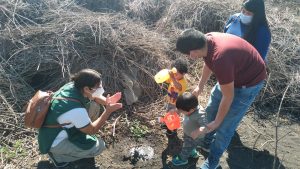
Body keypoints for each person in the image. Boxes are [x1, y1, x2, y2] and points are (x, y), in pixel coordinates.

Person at [176, 29, 266, 169]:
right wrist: (200, 86)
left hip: (248, 83)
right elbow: (208, 63)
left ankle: (213, 161)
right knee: (211, 109)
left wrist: (217, 123)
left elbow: (228, 96)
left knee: (225, 127)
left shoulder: (221, 58)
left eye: (187, 54)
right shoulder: (206, 42)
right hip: (231, 75)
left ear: (193, 51)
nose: (188, 57)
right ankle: (207, 142)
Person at [38, 69, 123, 167]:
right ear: (87, 89)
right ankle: (58, 157)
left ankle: (81, 129)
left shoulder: (73, 86)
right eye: (98, 87)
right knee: (99, 147)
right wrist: (108, 111)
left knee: (94, 105)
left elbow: (94, 97)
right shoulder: (76, 110)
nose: (101, 89)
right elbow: (92, 130)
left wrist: (108, 102)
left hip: (56, 128)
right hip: (54, 141)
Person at [171, 92, 207, 166]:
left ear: (191, 110)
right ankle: (192, 152)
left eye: (182, 111)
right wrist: (176, 111)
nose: (180, 112)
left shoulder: (200, 114)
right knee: (189, 145)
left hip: (194, 137)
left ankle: (183, 159)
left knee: (186, 147)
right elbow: (182, 109)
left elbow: (206, 126)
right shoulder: (189, 107)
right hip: (188, 133)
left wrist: (198, 131)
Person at [160, 58, 188, 136]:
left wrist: (172, 77)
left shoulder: (183, 83)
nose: (174, 76)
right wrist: (165, 76)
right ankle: (167, 124)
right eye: (174, 74)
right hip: (170, 101)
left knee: (174, 117)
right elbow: (167, 80)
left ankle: (172, 130)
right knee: (168, 113)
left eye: (176, 74)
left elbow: (178, 87)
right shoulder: (174, 78)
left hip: (176, 105)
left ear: (183, 74)